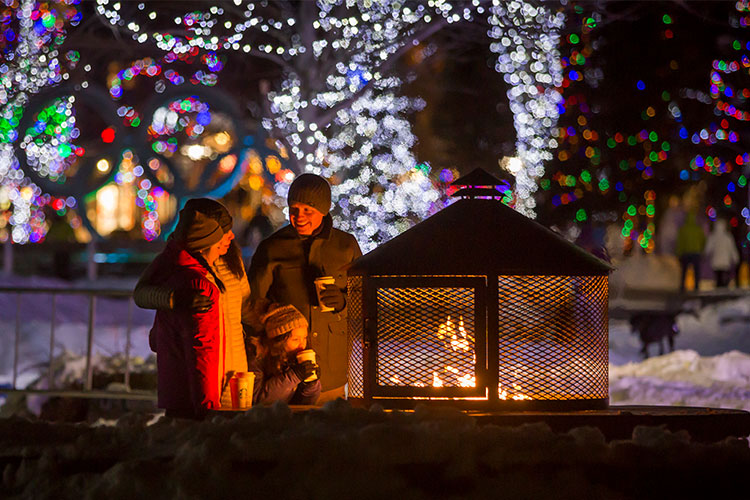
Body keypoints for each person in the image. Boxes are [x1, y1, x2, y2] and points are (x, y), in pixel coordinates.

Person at [248, 174, 362, 402]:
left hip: (332, 369)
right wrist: (276, 322)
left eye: (308, 210)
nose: (299, 217)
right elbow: (252, 304)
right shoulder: (272, 249)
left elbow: (364, 297)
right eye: (294, 208)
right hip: (283, 370)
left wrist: (343, 303)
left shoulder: (345, 245)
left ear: (324, 210)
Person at [135, 198, 253, 408]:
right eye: (226, 231)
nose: (232, 236)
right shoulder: (175, 261)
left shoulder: (232, 258)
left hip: (235, 368)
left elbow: (246, 305)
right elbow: (141, 293)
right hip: (199, 369)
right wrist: (176, 299)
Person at [146, 208, 226, 419]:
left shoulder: (173, 276)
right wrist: (207, 408)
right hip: (194, 403)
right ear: (207, 244)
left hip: (174, 396)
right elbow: (202, 351)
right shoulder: (200, 286)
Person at [247, 302, 321, 405]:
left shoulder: (294, 357)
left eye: (304, 338)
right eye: (295, 339)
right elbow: (260, 401)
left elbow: (304, 404)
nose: (302, 345)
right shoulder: (258, 357)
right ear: (278, 342)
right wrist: (294, 376)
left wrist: (311, 384)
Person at [675, 210, 706, 293]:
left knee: (684, 271)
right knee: (696, 272)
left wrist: (679, 253)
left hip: (685, 253)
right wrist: (702, 250)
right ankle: (696, 287)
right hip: (696, 253)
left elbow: (680, 242)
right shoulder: (698, 229)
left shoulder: (683, 229)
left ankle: (682, 286)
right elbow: (703, 240)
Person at [704, 218, 739, 288]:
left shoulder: (713, 236)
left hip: (716, 261)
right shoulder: (728, 237)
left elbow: (708, 247)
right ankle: (724, 287)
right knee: (724, 276)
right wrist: (735, 258)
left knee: (718, 276)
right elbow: (732, 249)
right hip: (725, 261)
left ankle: (719, 287)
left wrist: (705, 254)